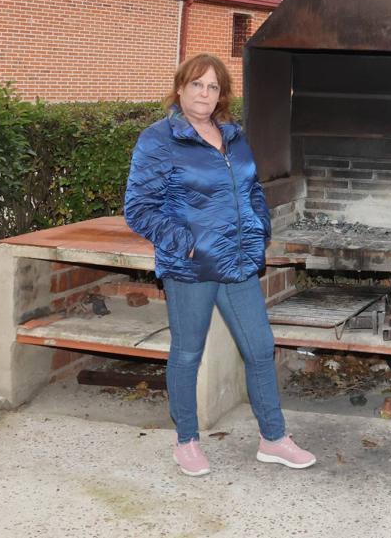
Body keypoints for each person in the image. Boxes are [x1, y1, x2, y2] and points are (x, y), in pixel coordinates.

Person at [124, 53, 315, 476]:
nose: (204, 93)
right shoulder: (159, 139)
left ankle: (273, 438)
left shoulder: (233, 136)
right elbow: (139, 207)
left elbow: (250, 190)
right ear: (180, 88)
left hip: (239, 262)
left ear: (221, 95)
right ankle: (187, 441)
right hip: (190, 268)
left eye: (213, 87)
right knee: (188, 353)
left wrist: (259, 229)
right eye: (197, 84)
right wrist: (185, 244)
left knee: (260, 348)